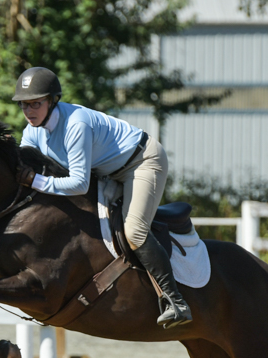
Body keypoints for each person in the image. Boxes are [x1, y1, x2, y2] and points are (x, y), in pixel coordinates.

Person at [12, 66, 192, 329]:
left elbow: (78, 183)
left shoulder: (75, 124)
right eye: (24, 105)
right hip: (106, 171)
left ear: (52, 101)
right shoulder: (32, 131)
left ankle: (175, 300)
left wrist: (35, 181)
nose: (29, 112)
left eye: (35, 104)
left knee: (134, 232)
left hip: (142, 161)